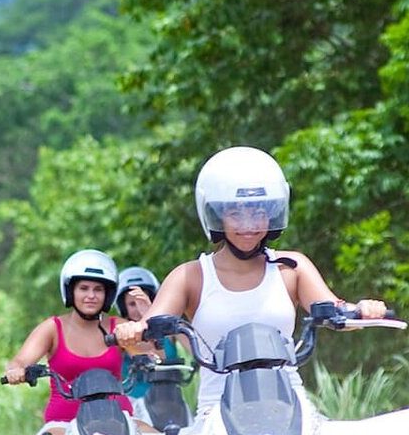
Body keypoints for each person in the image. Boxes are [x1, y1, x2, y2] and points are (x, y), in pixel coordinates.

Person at [115, 145, 387, 418]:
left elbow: (336, 310)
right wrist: (131, 334)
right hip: (217, 417)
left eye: (259, 212)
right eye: (236, 213)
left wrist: (363, 308)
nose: (249, 223)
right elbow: (146, 334)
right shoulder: (190, 276)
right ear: (217, 215)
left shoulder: (292, 267)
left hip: (291, 408)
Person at [4, 248, 133, 435]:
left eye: (98, 289)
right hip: (64, 424)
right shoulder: (53, 328)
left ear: (108, 294)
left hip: (120, 420)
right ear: (71, 291)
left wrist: (148, 316)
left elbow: (155, 356)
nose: (91, 295)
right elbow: (20, 360)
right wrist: (16, 371)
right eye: (84, 288)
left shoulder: (120, 328)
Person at [115, 266, 179, 401]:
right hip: (135, 403)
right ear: (123, 307)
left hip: (170, 401)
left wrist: (151, 317)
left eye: (142, 301)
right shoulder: (122, 333)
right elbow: (153, 358)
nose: (138, 308)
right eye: (132, 304)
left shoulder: (172, 331)